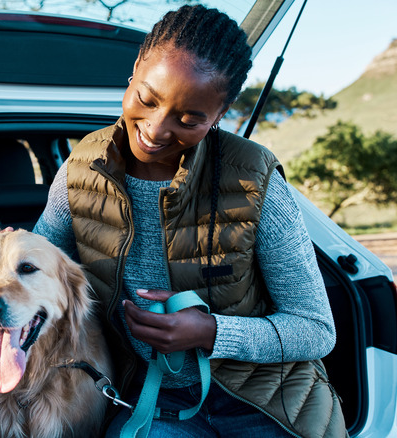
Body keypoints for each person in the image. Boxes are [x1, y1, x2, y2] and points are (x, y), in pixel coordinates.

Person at [34, 5, 347, 437]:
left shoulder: (253, 179)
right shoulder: (80, 172)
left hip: (265, 399)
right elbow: (34, 276)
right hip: (151, 396)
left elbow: (315, 329)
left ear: (219, 116)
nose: (157, 129)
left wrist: (210, 332)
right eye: (147, 98)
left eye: (189, 119)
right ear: (135, 70)